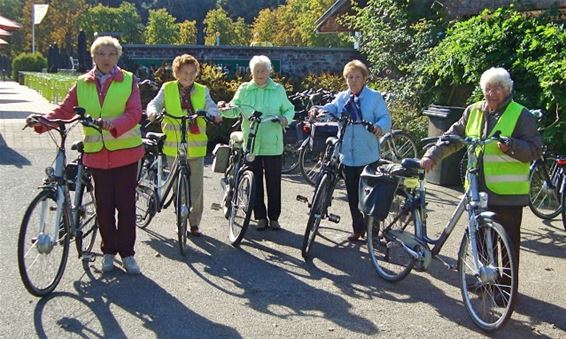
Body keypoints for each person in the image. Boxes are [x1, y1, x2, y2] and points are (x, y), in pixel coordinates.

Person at [26, 36, 144, 274]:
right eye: (101, 53)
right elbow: (64, 110)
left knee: (126, 206)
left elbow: (134, 113)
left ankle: (128, 254)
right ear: (93, 57)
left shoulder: (128, 81)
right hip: (97, 155)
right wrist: (43, 122)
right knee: (104, 207)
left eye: (111, 54)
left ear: (117, 57)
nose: (106, 58)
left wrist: (112, 123)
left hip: (125, 153)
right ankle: (109, 251)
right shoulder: (82, 83)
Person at [420, 67, 542, 292]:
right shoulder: (473, 111)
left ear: (507, 90)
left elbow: (535, 150)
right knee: (480, 240)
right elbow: (453, 138)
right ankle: (485, 281)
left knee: (507, 246)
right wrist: (432, 156)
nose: (492, 93)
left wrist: (511, 146)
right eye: (488, 88)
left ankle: (506, 288)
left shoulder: (520, 114)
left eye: (497, 88)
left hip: (508, 194)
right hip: (477, 190)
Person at [309, 60, 392, 242]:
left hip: (368, 154)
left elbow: (385, 118)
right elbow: (332, 107)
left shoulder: (374, 97)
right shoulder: (343, 98)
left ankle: (373, 230)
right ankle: (358, 229)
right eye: (350, 77)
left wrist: (379, 127)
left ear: (364, 79)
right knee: (353, 196)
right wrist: (318, 110)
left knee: (370, 196)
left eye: (357, 77)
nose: (353, 81)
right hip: (347, 155)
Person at [146, 54, 222, 237]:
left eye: (192, 72)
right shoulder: (167, 88)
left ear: (196, 73)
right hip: (174, 146)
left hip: (195, 147)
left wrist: (215, 114)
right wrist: (153, 112)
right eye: (184, 72)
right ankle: (180, 221)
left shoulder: (203, 90)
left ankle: (194, 223)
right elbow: (154, 104)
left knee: (196, 189)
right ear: (176, 72)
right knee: (178, 188)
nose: (188, 76)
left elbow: (211, 106)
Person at [218, 55, 294, 230]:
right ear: (251, 72)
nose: (260, 74)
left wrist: (285, 118)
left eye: (263, 70)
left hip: (272, 144)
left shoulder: (277, 90)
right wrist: (222, 109)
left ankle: (274, 218)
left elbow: (289, 109)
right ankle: (260, 217)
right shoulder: (245, 89)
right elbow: (234, 109)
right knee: (255, 182)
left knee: (274, 183)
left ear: (269, 71)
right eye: (256, 71)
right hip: (251, 144)